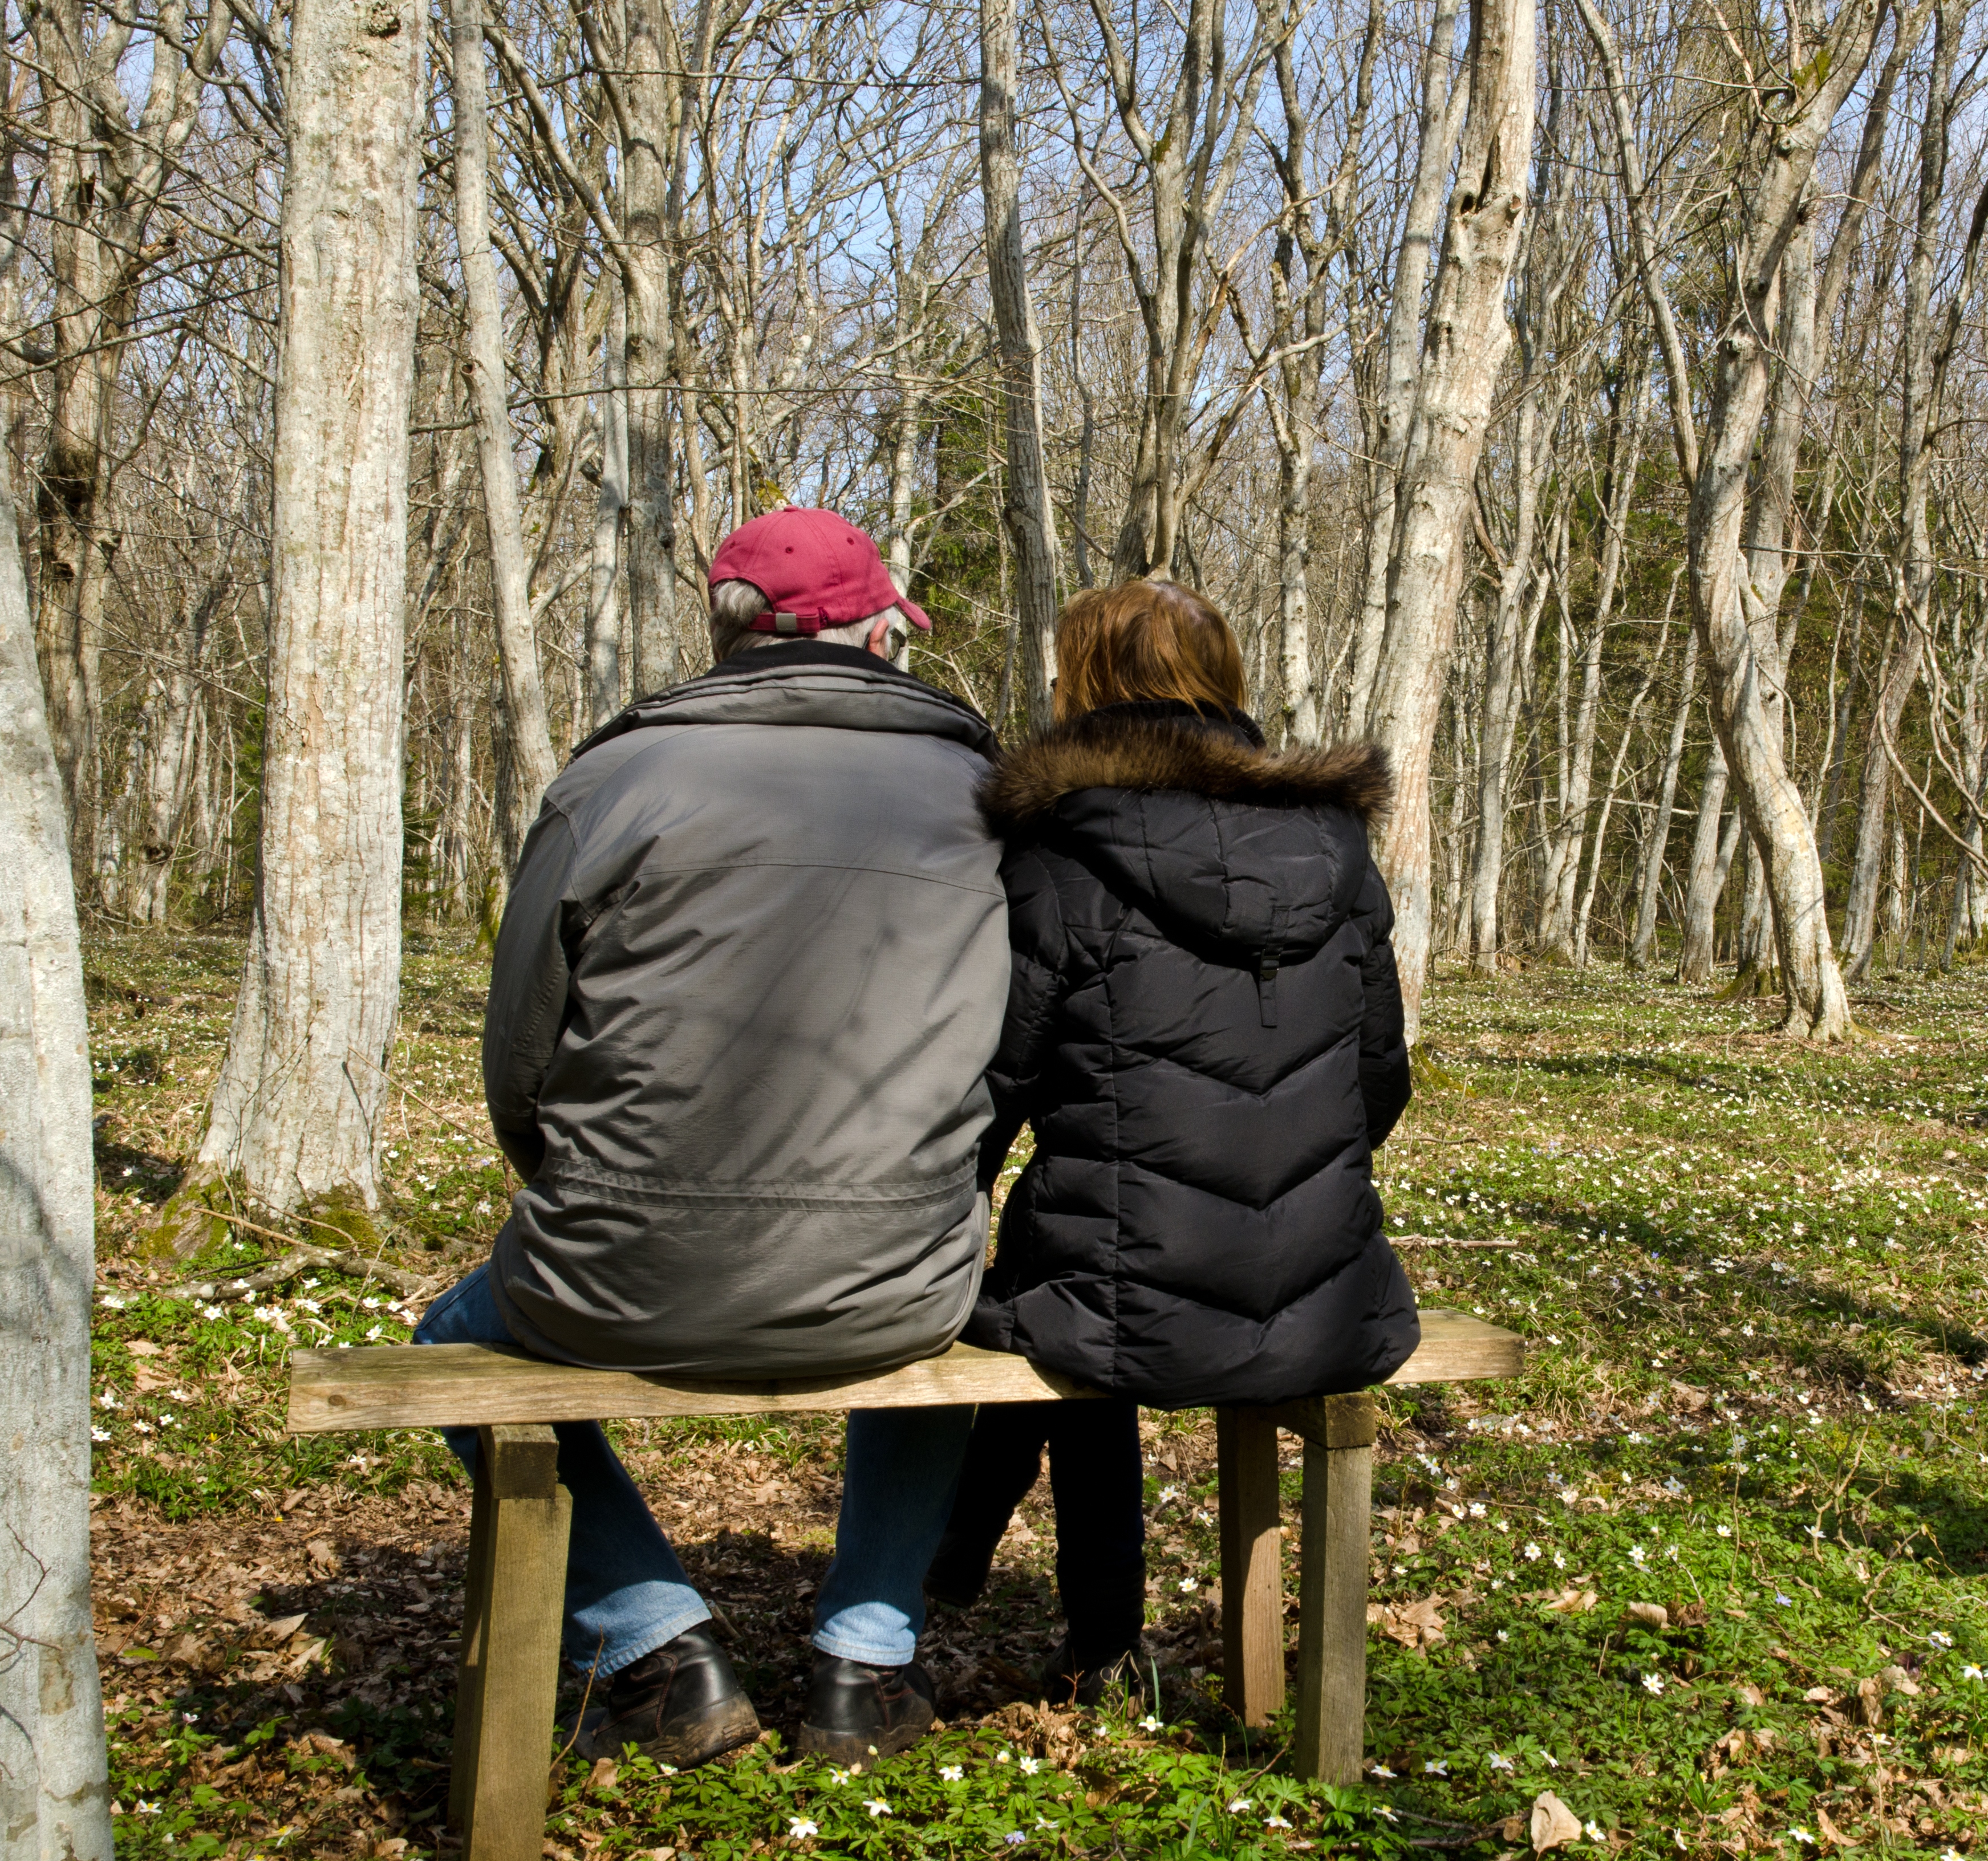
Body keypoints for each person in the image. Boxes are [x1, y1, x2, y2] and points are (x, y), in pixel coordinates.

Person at [416, 507, 1006, 1771]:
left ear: (726, 631)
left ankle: (656, 1645)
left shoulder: (612, 780)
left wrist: (586, 1192)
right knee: (943, 1308)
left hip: (621, 1264)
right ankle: (866, 1661)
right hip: (895, 1270)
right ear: (879, 633)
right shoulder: (982, 791)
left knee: (449, 1340)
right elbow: (1015, 1044)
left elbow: (522, 1052)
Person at [928, 578, 1418, 1703]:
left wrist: (935, 1200)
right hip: (1329, 1289)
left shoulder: (1059, 848)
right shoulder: (1332, 848)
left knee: (1070, 1288)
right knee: (1087, 1276)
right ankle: (1029, 1613)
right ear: (1225, 682)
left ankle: (1062, 1625)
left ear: (1084, 683)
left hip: (1125, 1299)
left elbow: (991, 1085)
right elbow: (1377, 1080)